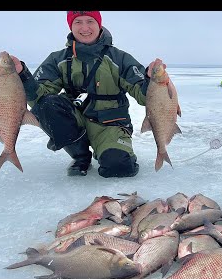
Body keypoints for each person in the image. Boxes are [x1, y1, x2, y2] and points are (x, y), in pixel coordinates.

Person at [11, 11, 168, 177]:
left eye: (90, 21)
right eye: (78, 21)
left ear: (99, 24)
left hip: (110, 124)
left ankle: (115, 151)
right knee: (47, 105)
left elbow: (143, 96)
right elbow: (38, 99)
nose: (84, 27)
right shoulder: (58, 59)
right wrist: (23, 75)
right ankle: (81, 156)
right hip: (76, 121)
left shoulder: (120, 58)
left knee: (119, 167)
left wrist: (152, 80)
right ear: (70, 25)